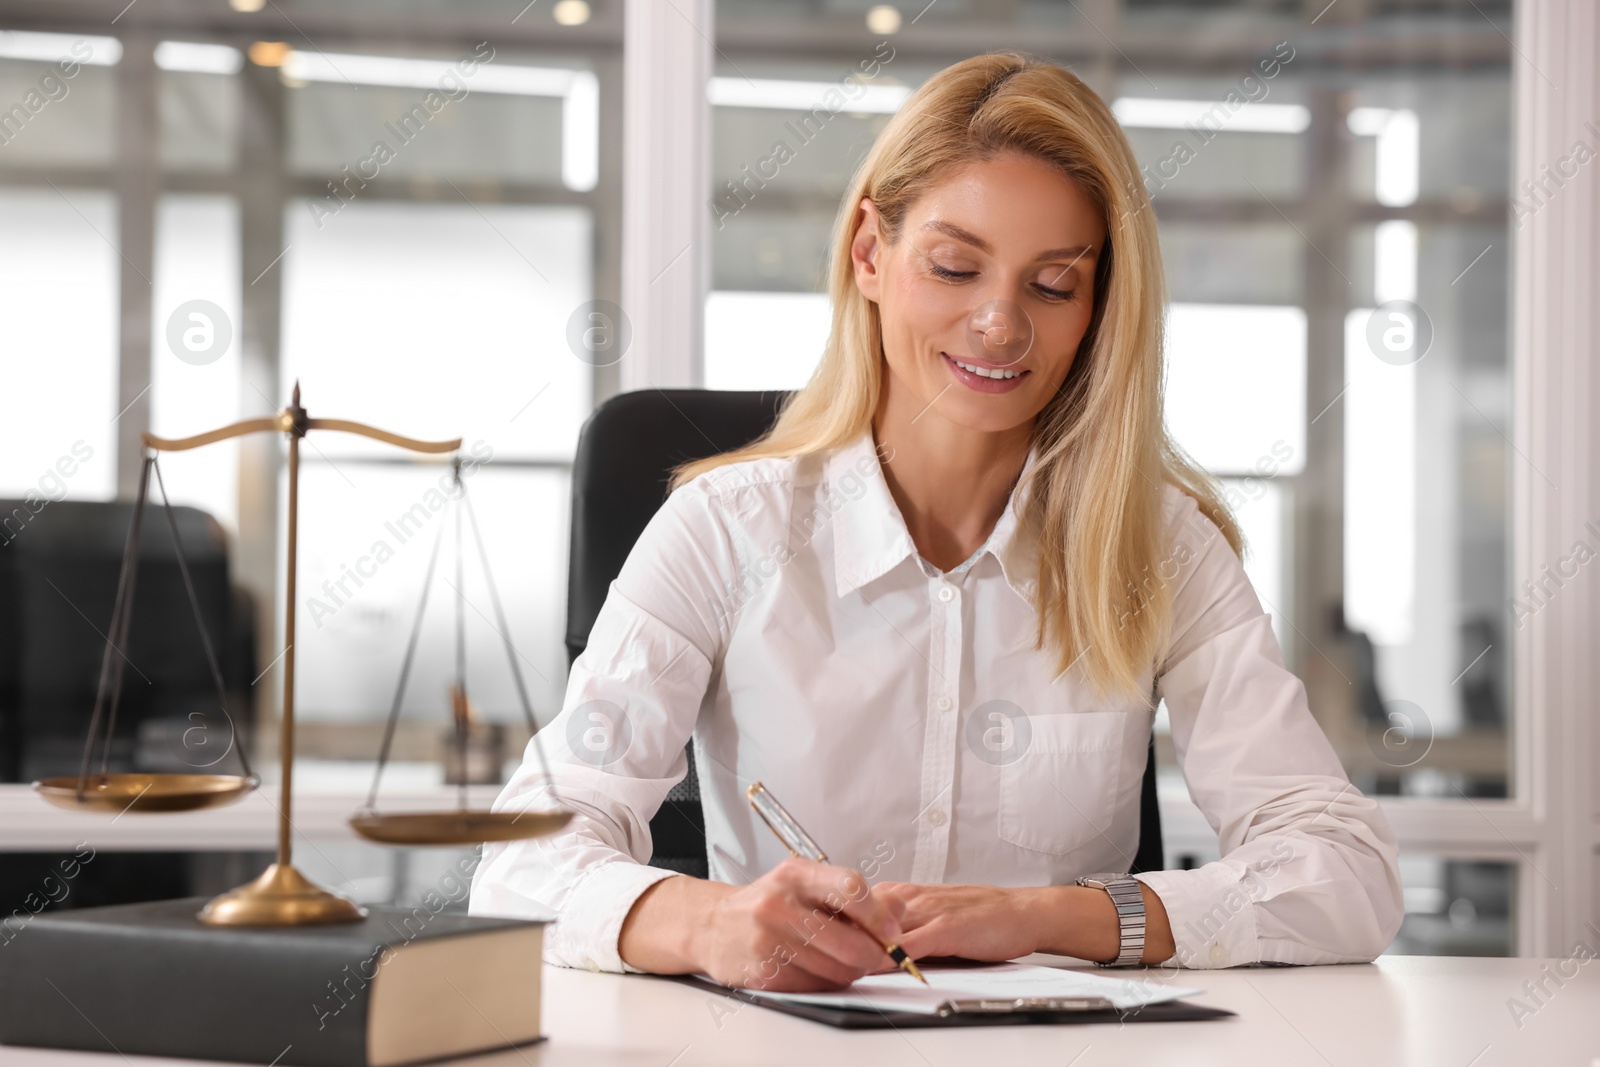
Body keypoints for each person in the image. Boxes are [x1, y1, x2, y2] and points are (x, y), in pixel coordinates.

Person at [469, 50, 1404, 991]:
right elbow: (522, 862)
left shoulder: (1160, 547)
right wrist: (713, 921)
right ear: (869, 253)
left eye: (1052, 285)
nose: (1000, 324)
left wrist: (1054, 915)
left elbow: (1346, 873)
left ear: (1100, 309)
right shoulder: (723, 531)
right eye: (955, 267)